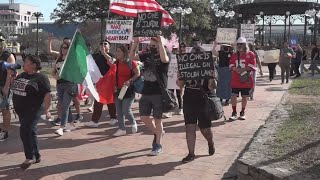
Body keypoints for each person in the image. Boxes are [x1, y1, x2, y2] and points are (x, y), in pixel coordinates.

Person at [129, 36, 169, 156]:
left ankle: (158, 145)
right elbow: (131, 57)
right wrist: (135, 43)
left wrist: (161, 43)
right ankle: (158, 133)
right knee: (144, 117)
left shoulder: (165, 54)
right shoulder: (146, 55)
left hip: (158, 92)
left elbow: (165, 60)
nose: (152, 46)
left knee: (158, 119)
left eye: (154, 44)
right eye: (151, 44)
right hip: (146, 91)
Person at [11, 55, 51, 169]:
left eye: (26, 62)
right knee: (31, 132)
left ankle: (30, 157)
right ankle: (37, 155)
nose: (24, 64)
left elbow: (47, 95)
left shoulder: (41, 78)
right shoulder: (23, 75)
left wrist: (47, 110)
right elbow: (15, 87)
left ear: (34, 65)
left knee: (24, 131)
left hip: (33, 110)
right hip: (21, 111)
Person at [176, 74, 216, 163]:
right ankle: (191, 154)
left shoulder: (208, 64)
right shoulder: (185, 65)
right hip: (189, 99)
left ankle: (210, 142)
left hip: (204, 99)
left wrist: (211, 78)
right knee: (189, 127)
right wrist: (180, 77)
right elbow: (179, 84)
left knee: (205, 129)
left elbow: (212, 87)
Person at [48, 34, 83, 124]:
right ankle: (63, 119)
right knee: (63, 103)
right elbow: (53, 71)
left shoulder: (73, 56)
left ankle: (76, 116)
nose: (64, 47)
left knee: (74, 100)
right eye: (63, 45)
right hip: (60, 84)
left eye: (67, 45)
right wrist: (50, 41)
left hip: (71, 84)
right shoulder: (59, 56)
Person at [84, 40, 117, 128]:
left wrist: (104, 53)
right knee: (105, 100)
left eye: (105, 44)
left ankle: (96, 121)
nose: (103, 45)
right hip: (100, 81)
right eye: (101, 44)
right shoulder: (97, 56)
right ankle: (113, 118)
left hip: (109, 81)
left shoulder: (112, 55)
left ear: (109, 47)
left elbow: (113, 63)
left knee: (102, 100)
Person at [113, 46, 140, 136]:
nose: (117, 53)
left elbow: (138, 73)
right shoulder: (116, 63)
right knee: (119, 111)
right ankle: (122, 129)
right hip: (118, 90)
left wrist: (130, 80)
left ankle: (133, 122)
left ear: (124, 52)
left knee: (126, 110)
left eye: (119, 51)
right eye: (117, 51)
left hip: (128, 90)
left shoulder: (131, 62)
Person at [52, 43, 77, 136]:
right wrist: (56, 77)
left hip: (69, 85)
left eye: (65, 48)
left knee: (64, 106)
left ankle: (61, 127)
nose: (63, 49)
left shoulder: (71, 60)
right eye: (62, 47)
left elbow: (75, 72)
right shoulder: (59, 59)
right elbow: (52, 72)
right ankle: (71, 123)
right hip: (60, 85)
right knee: (65, 105)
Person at [229, 37, 256, 121]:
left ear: (245, 45)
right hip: (235, 80)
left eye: (241, 44)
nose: (239, 45)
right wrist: (235, 69)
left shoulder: (250, 54)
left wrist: (244, 69)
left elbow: (253, 65)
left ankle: (242, 112)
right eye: (238, 44)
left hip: (246, 80)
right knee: (233, 96)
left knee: (244, 97)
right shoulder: (234, 55)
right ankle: (234, 112)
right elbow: (230, 65)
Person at [0, 39, 16, 141]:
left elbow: (10, 73)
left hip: (4, 85)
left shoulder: (9, 56)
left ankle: (5, 131)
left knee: (5, 109)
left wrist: (6, 87)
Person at [168, 45, 183, 115]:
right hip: (171, 78)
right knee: (170, 95)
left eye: (176, 49)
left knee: (179, 95)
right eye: (174, 49)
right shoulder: (169, 56)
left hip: (177, 78)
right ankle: (172, 108)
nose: (175, 50)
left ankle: (180, 108)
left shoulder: (180, 57)